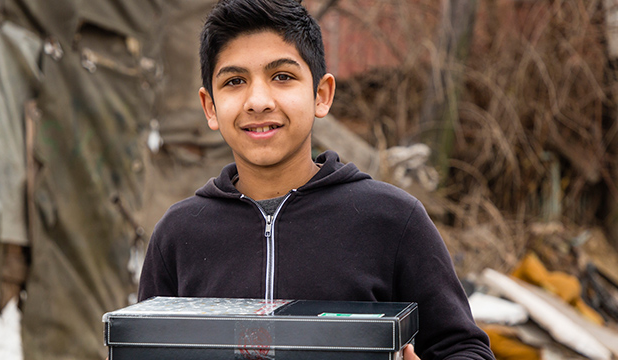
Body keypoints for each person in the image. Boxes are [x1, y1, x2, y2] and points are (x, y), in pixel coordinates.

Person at [138, 0, 494, 359]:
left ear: (321, 95)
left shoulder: (392, 221)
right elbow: (141, 348)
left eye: (282, 77)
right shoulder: (178, 236)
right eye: (235, 81)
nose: (258, 101)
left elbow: (465, 349)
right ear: (210, 107)